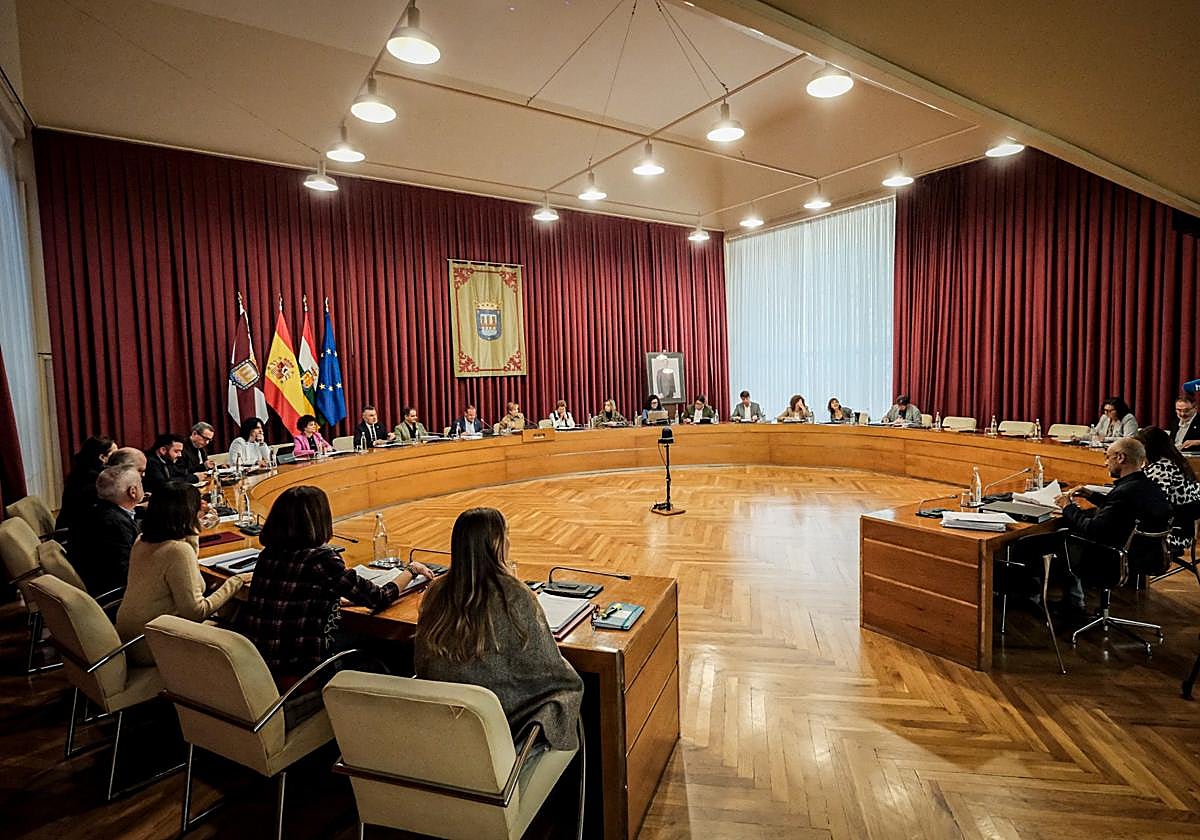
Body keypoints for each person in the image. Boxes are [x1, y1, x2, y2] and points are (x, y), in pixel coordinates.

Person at [414, 508, 583, 750]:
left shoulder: (435, 593)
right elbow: (549, 672)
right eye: (506, 536)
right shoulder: (514, 596)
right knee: (569, 693)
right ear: (496, 543)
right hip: (506, 735)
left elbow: (422, 666)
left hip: (445, 733)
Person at [239, 486, 432, 694]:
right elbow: (378, 598)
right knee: (396, 649)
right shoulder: (320, 559)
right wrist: (412, 570)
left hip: (262, 666)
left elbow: (298, 595)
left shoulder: (268, 554)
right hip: (303, 672)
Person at [116, 482, 247, 666]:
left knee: (230, 609)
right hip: (152, 643)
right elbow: (196, 612)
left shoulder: (142, 540)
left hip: (131, 638)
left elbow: (189, 567)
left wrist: (192, 528)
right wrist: (236, 581)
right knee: (241, 619)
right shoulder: (177, 551)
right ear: (187, 512)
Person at [1051, 437, 1172, 616]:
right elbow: (1123, 510)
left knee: (1060, 535)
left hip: (1113, 557)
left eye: (1108, 457)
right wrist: (1092, 496)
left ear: (1121, 458)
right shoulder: (1147, 486)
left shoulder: (1125, 492)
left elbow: (1092, 529)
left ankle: (1072, 604)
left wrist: (1067, 506)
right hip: (1146, 554)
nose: (1105, 463)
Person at [69, 465, 142, 595]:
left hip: (95, 581)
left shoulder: (95, 510)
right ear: (133, 491)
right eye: (140, 483)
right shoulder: (115, 525)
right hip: (116, 593)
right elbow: (125, 571)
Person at [1136, 426, 1200, 553]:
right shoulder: (1176, 461)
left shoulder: (1162, 468)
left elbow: (1153, 501)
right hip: (1180, 527)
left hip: (1170, 534)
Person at [56, 435, 117, 530]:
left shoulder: (82, 471)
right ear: (102, 457)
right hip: (75, 535)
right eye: (115, 454)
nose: (119, 457)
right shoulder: (94, 479)